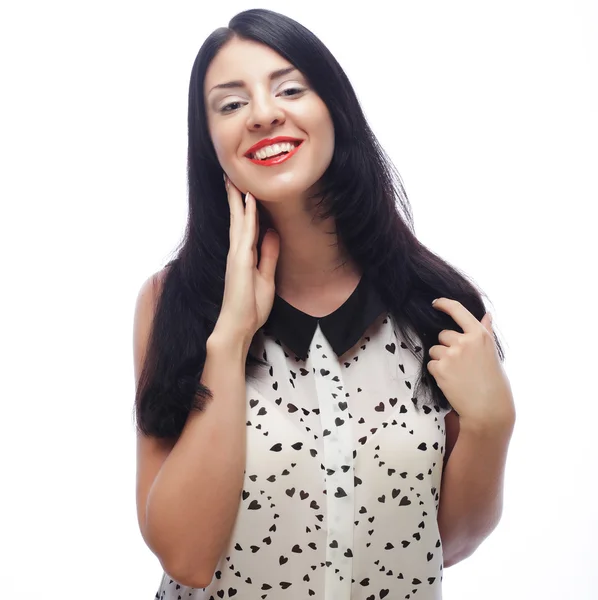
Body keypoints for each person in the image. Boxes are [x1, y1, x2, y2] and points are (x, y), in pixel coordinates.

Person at [133, 8, 510, 600]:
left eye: (289, 88)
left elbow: (447, 543)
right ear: (209, 143)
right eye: (230, 104)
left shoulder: (435, 306)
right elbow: (186, 557)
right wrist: (229, 338)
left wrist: (492, 424)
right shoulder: (170, 302)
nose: (262, 114)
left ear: (334, 106)